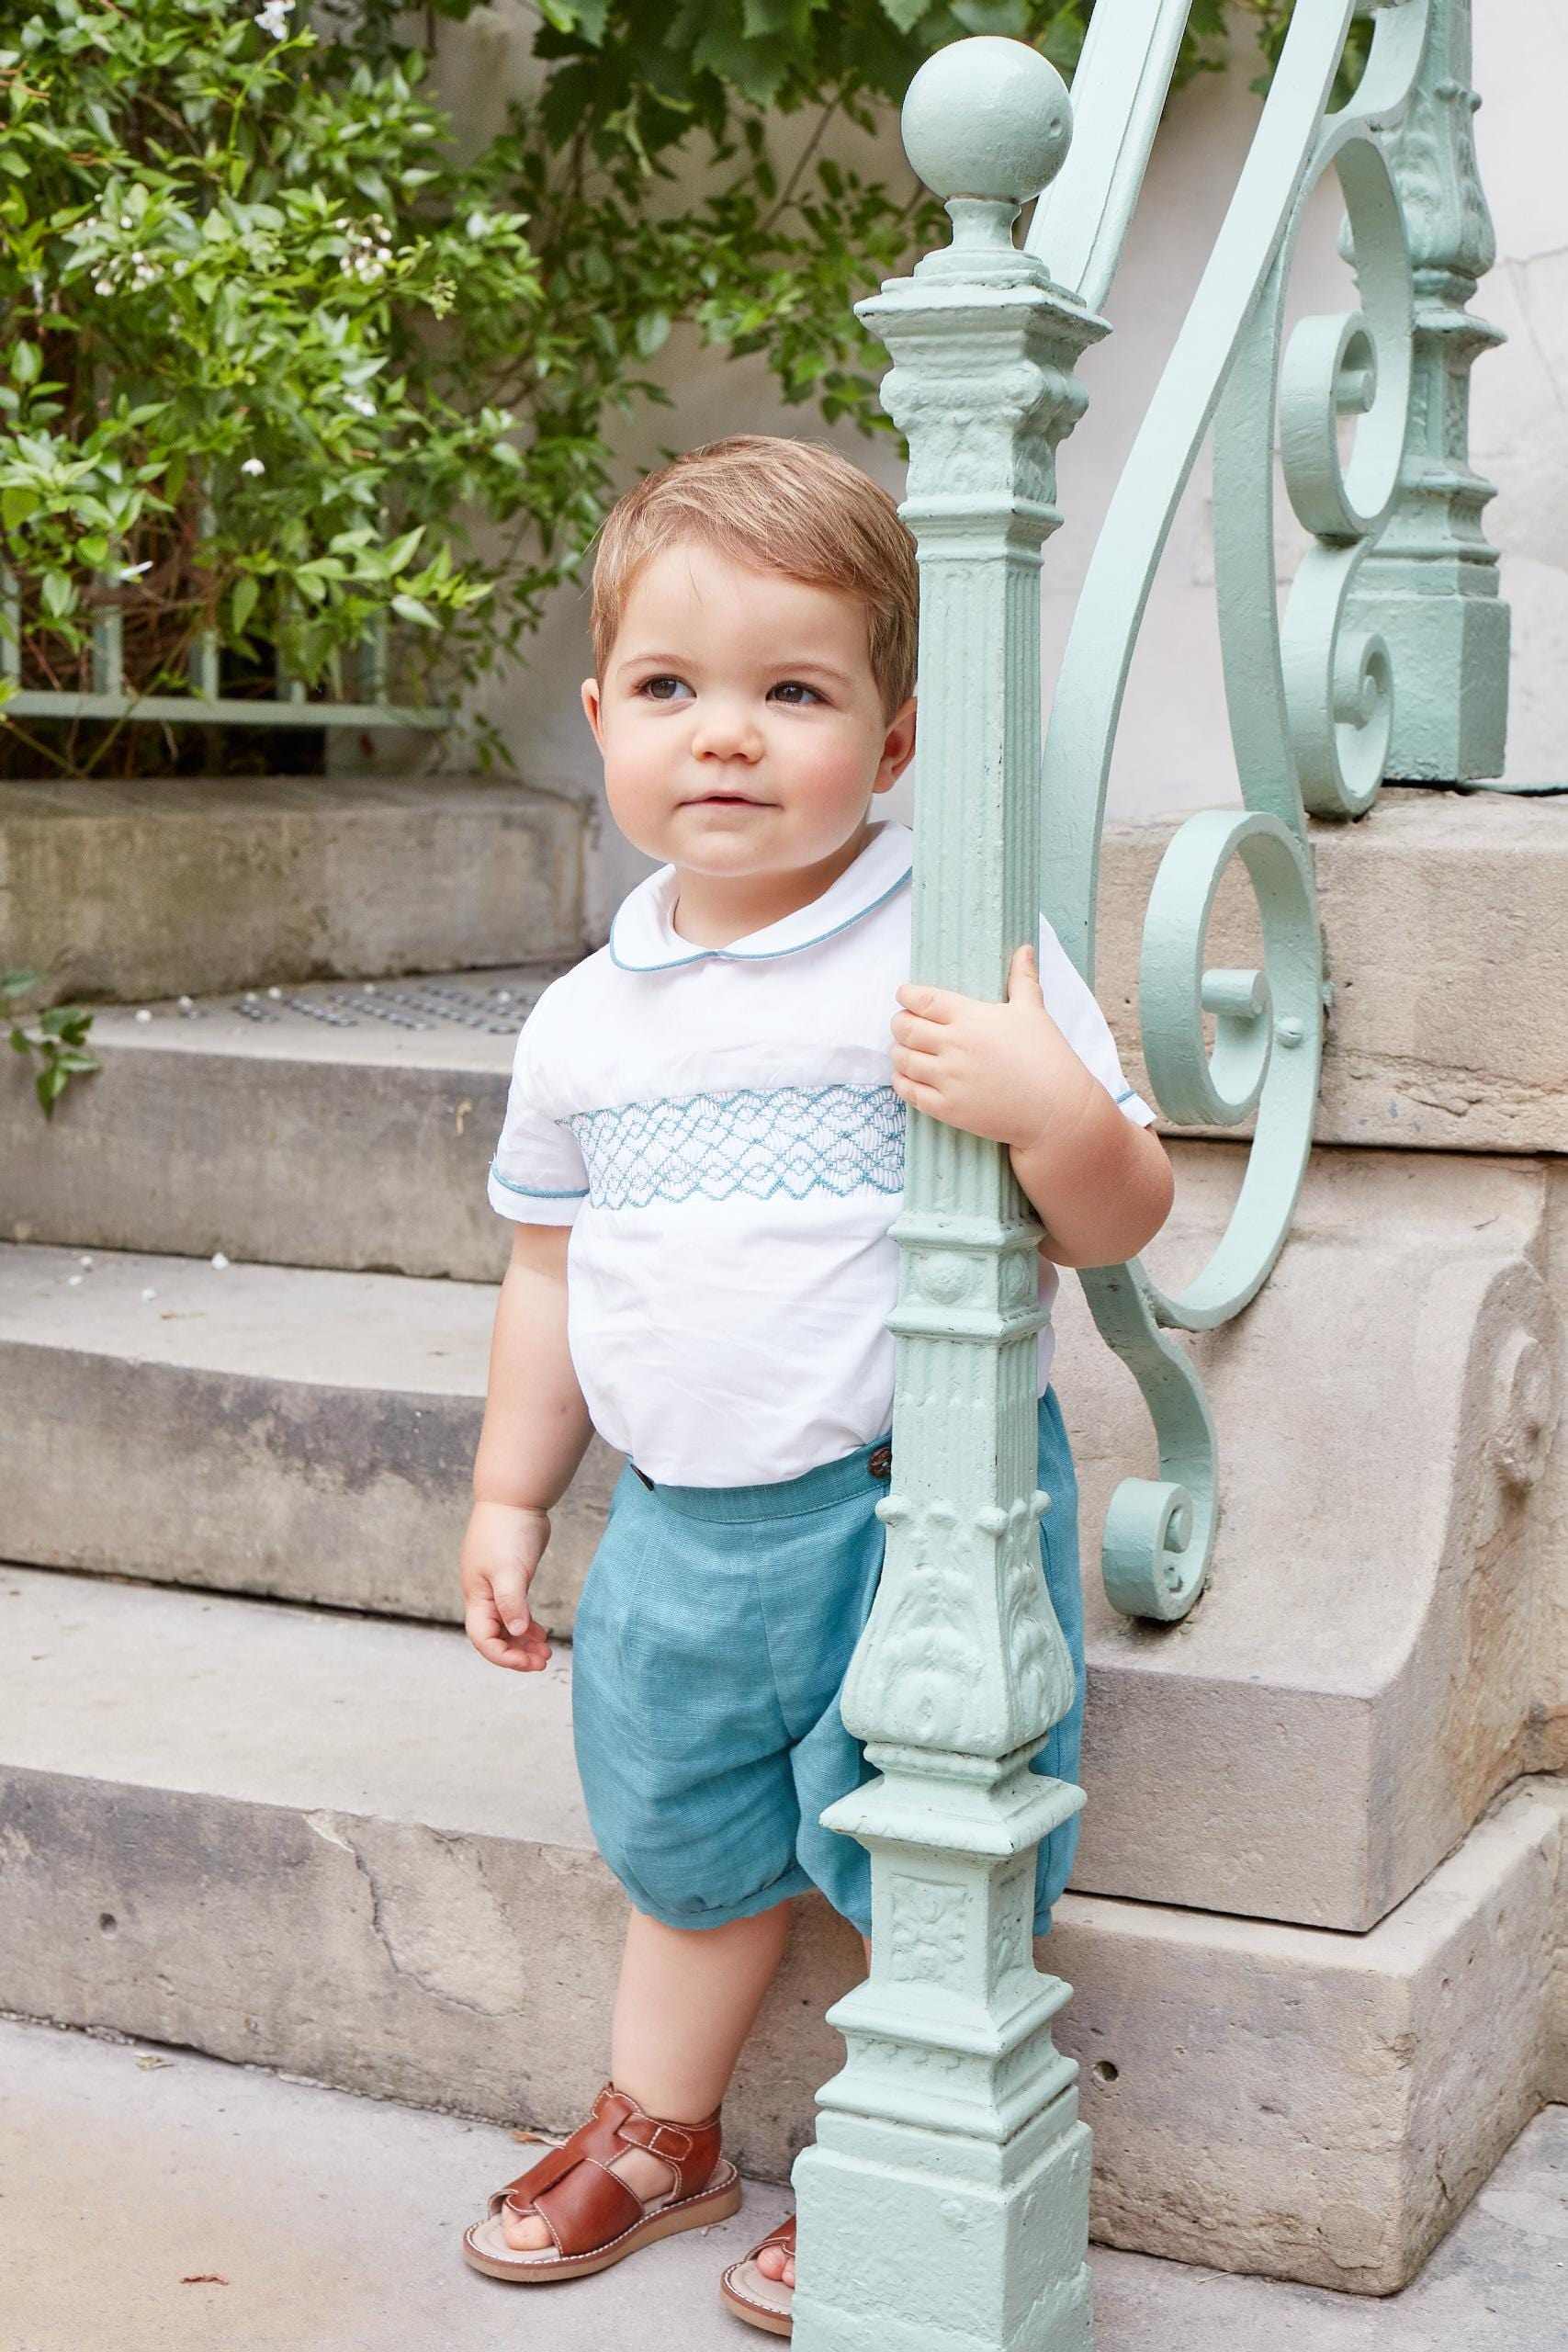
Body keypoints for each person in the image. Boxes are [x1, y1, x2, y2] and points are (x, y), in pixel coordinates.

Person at [457, 435, 1172, 2335]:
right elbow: (546, 1270)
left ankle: (900, 2138)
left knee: (923, 1837)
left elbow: (1114, 1216)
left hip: (901, 1513)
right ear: (601, 712)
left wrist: (1045, 1107)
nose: (727, 736)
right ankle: (661, 2126)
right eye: (674, 690)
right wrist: (510, 1495)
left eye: (794, 691)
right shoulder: (585, 1019)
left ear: (896, 728)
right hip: (679, 1529)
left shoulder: (952, 961)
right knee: (682, 1845)